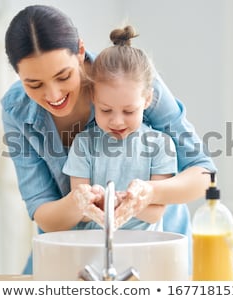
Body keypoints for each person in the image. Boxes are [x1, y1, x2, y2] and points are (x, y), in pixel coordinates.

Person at [1, 4, 216, 274]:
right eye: (34, 84)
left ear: (80, 51)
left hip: (156, 249)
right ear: (18, 76)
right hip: (72, 253)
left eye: (63, 76)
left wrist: (151, 193)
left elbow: (203, 172)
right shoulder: (16, 109)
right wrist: (77, 203)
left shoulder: (129, 78)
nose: (53, 94)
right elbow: (42, 209)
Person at [62, 25, 177, 231]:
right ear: (93, 99)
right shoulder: (83, 145)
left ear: (147, 99)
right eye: (106, 110)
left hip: (145, 250)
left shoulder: (161, 146)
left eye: (129, 111)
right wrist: (95, 200)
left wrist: (123, 202)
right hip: (94, 248)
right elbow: (81, 210)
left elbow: (154, 213)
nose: (117, 122)